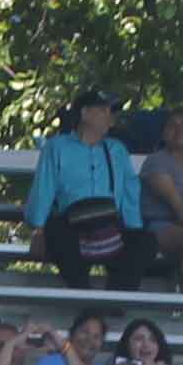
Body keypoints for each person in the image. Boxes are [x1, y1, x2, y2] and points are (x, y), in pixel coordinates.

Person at [29, 94, 147, 289]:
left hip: (109, 223)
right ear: (84, 113)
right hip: (71, 224)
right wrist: (38, 229)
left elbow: (130, 191)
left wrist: (133, 228)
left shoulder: (117, 149)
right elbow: (44, 188)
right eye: (104, 111)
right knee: (57, 233)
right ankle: (82, 294)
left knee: (144, 242)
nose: (110, 118)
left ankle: (118, 298)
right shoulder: (57, 147)